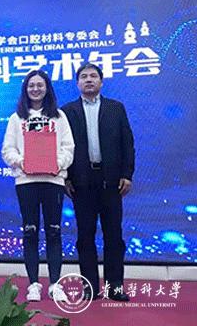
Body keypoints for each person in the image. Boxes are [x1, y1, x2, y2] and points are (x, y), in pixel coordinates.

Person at [62, 63, 134, 302]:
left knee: (114, 236)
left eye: (93, 76)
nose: (89, 80)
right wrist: (66, 177)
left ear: (101, 82)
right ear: (77, 83)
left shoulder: (116, 108)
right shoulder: (67, 111)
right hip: (81, 182)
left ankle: (115, 287)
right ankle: (90, 287)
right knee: (85, 237)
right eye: (84, 76)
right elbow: (62, 147)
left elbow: (127, 143)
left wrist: (127, 174)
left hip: (111, 181)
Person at [1, 70, 74, 302]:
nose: (35, 89)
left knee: (54, 231)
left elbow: (68, 147)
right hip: (27, 181)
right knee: (30, 231)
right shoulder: (17, 118)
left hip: (53, 181)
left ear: (47, 88)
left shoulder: (59, 117)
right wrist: (23, 162)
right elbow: (8, 150)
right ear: (25, 89)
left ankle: (55, 284)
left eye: (40, 85)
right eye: (31, 85)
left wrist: (56, 163)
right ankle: (33, 283)